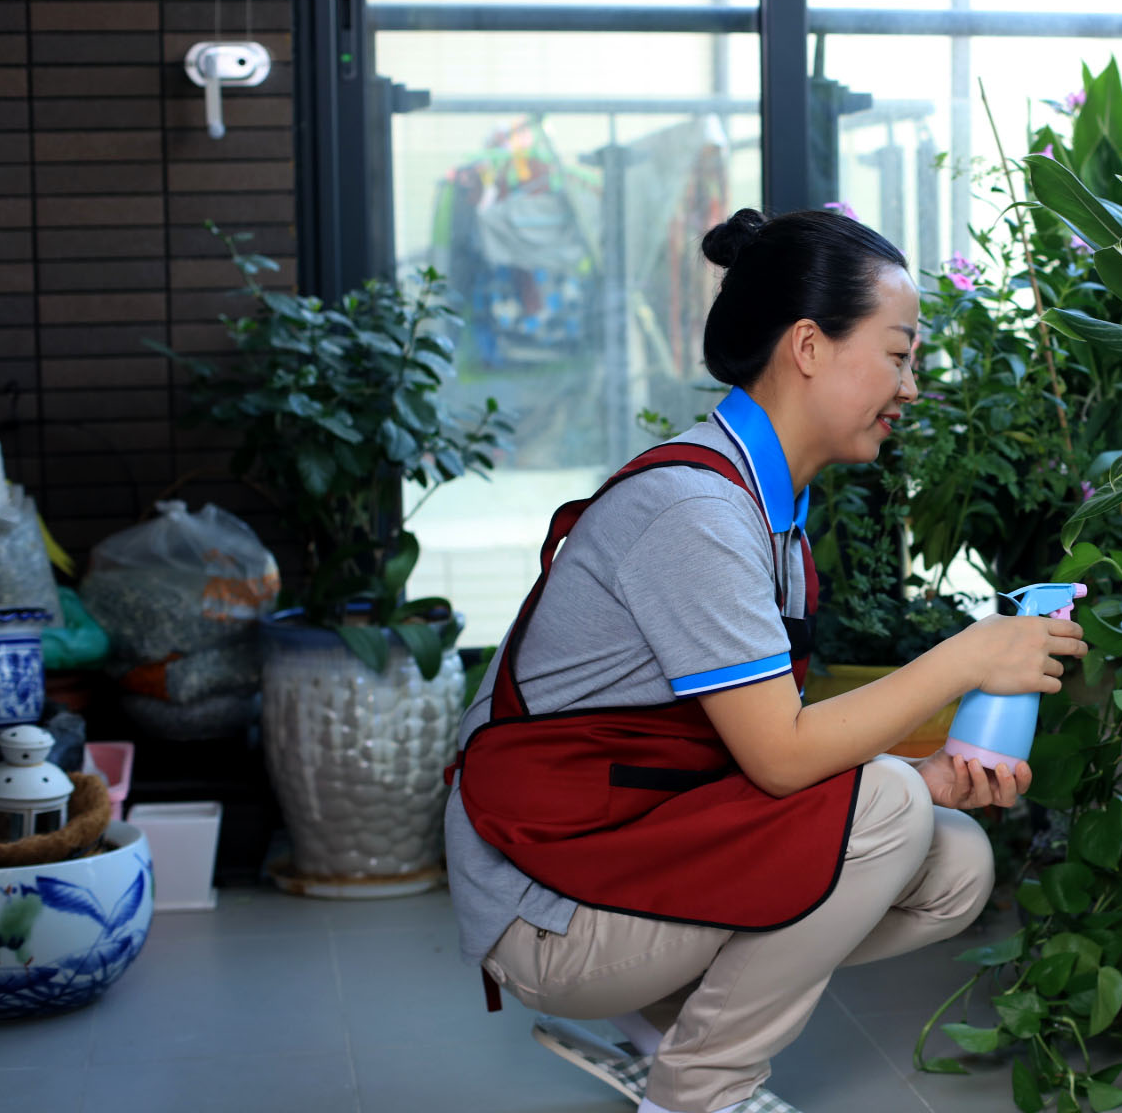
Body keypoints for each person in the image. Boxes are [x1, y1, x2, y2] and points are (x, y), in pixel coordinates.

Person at [444, 207, 1087, 1113]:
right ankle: (701, 1090)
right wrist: (969, 657)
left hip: (625, 841)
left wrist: (930, 774)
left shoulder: (765, 506)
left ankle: (668, 1022)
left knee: (952, 865)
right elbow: (780, 755)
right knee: (891, 807)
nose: (912, 386)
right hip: (542, 903)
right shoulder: (696, 515)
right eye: (899, 353)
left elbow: (737, 749)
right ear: (809, 347)